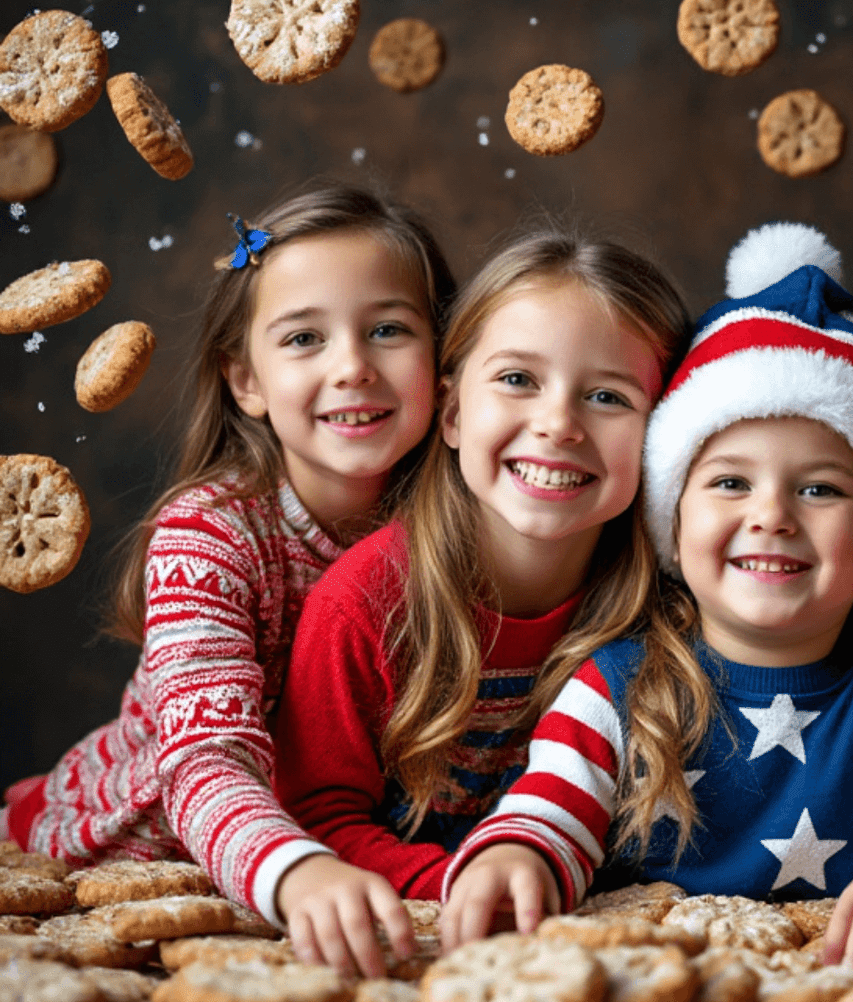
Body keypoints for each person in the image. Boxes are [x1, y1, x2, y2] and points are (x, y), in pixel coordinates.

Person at [438, 223, 853, 978]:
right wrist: (515, 856)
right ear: (674, 521)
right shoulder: (615, 690)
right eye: (730, 482)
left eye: (819, 488)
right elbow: (547, 814)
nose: (773, 516)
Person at [2, 185, 452, 930]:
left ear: (442, 354)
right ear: (246, 381)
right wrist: (298, 871)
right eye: (305, 338)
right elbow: (205, 760)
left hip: (347, 857)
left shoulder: (458, 527)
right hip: (141, 857)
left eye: (389, 329)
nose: (353, 367)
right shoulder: (209, 537)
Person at [271, 230, 691, 978]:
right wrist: (475, 887)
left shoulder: (665, 616)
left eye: (607, 397)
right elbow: (314, 820)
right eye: (519, 381)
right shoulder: (367, 604)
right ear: (454, 411)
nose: (559, 424)